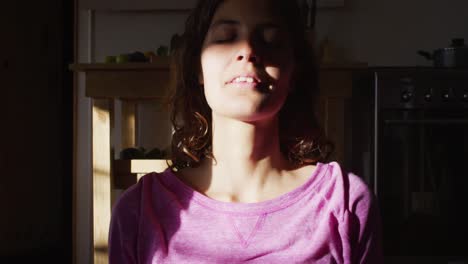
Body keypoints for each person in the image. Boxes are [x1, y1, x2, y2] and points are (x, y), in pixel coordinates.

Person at [108, 0, 383, 263]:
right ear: (197, 69)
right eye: (226, 37)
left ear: (294, 72)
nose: (248, 50)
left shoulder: (346, 202)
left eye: (271, 40)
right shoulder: (140, 211)